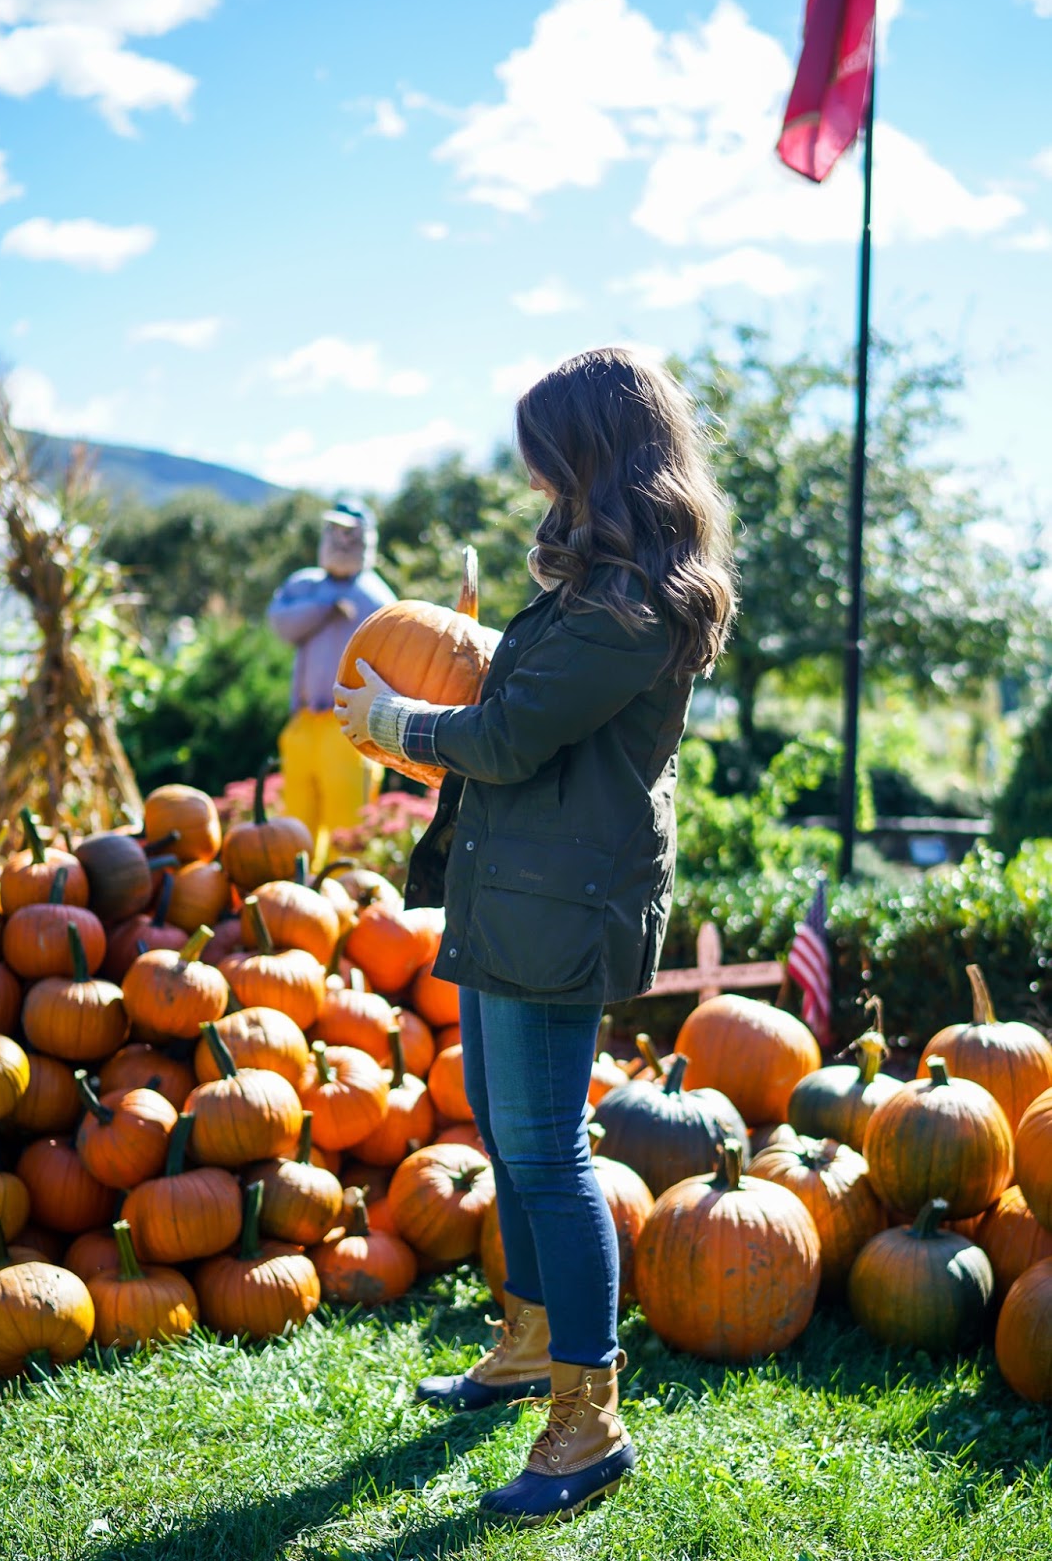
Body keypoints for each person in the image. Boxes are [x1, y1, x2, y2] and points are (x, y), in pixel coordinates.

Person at [333, 348, 736, 1526]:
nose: (528, 480)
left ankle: (589, 1410)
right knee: (512, 1142)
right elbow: (514, 707)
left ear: (595, 453)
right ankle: (527, 1342)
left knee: (548, 1150)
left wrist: (392, 717)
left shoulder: (635, 605)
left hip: (558, 900)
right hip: (515, 882)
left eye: (544, 458)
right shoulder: (597, 581)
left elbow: (507, 736)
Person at [267, 501, 395, 866]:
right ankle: (295, 895)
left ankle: (342, 899)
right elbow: (280, 624)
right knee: (296, 824)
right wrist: (325, 605)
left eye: (350, 534)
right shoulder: (305, 585)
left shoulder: (376, 598)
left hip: (350, 729)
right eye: (334, 532)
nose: (341, 541)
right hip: (304, 722)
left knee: (346, 828)